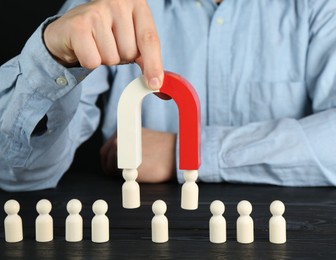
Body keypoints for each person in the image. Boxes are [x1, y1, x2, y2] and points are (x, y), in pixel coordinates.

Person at [1, 0, 336, 191]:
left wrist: (187, 150)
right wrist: (50, 61)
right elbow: (15, 173)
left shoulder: (320, 7)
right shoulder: (104, 7)